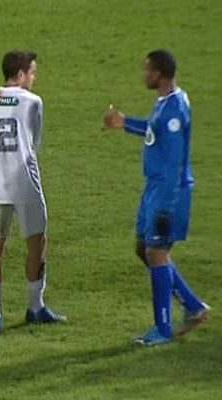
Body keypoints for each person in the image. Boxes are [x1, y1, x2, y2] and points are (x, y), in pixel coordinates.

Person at [103, 49, 208, 344]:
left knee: (157, 253)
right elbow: (154, 130)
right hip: (153, 189)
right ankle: (193, 306)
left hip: (167, 192)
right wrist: (123, 122)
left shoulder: (174, 108)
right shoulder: (165, 101)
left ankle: (162, 329)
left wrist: (168, 200)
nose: (143, 73)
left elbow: (174, 158)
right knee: (143, 248)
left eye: (147, 69)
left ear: (159, 74)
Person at [0, 50, 66, 333]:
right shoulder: (33, 102)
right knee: (36, 243)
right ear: (20, 75)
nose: (34, 77)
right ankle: (35, 306)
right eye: (32, 72)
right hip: (26, 183)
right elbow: (34, 141)